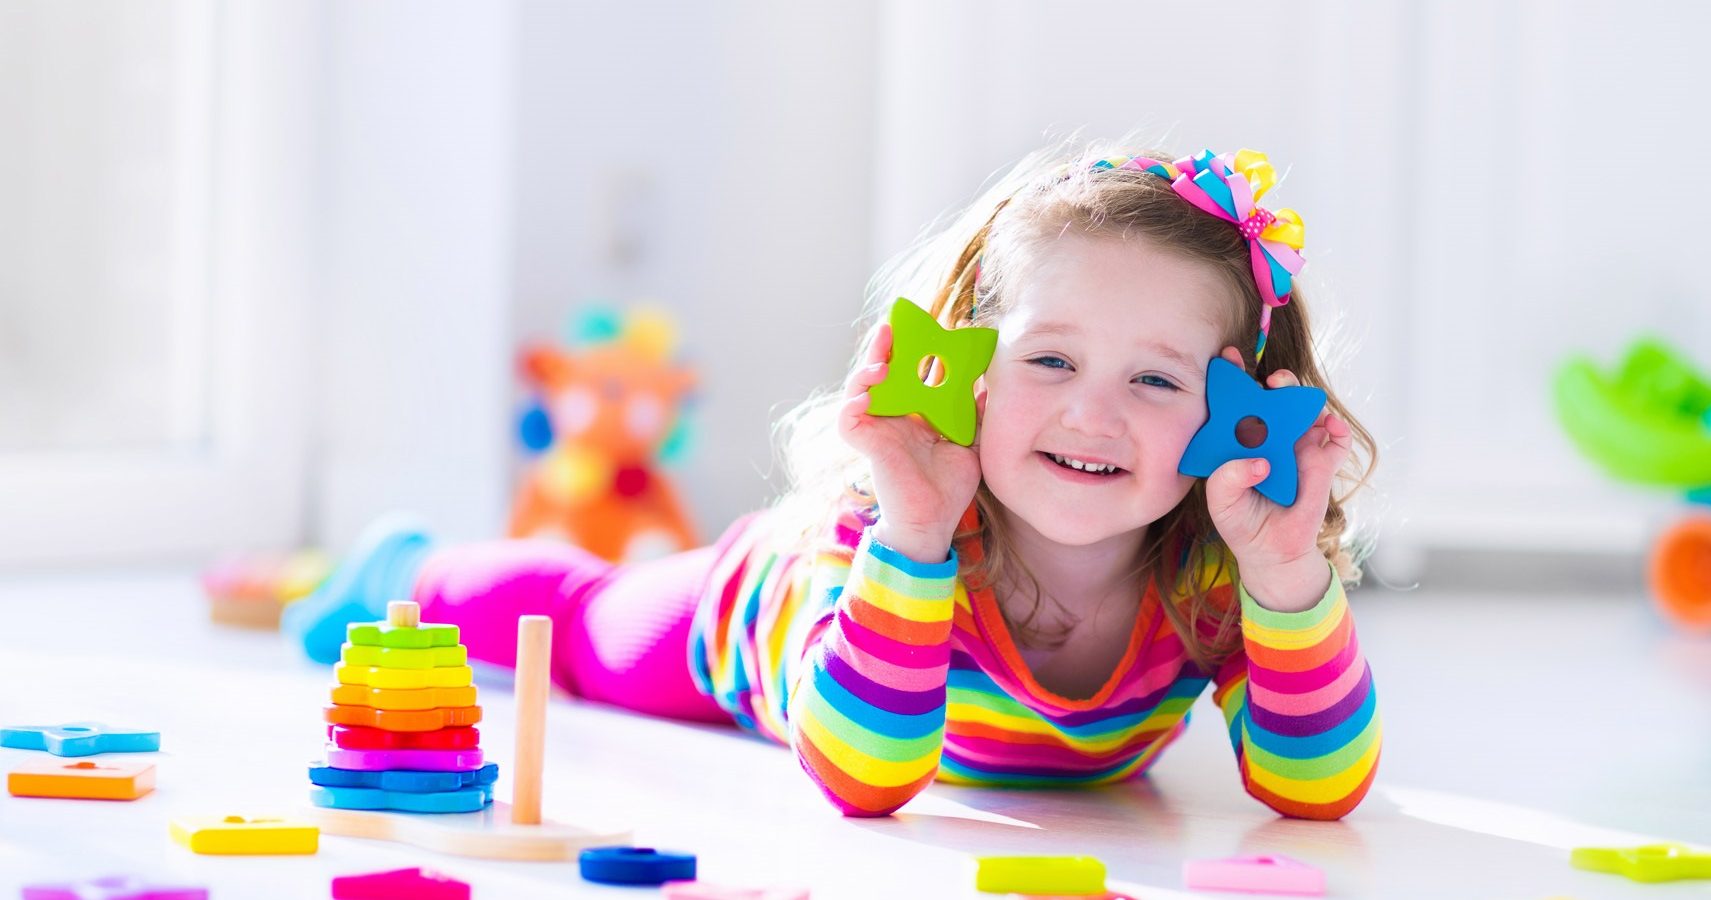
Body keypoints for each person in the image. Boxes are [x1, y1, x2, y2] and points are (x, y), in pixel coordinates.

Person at [296, 139, 1381, 820]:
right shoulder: (888, 530)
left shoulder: (1215, 578)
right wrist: (912, 529)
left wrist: (1285, 575)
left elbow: (1316, 791)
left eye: (1156, 378)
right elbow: (862, 782)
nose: (1093, 412)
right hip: (748, 628)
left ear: (1241, 411)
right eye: (1050, 359)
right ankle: (406, 566)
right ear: (967, 371)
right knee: (581, 626)